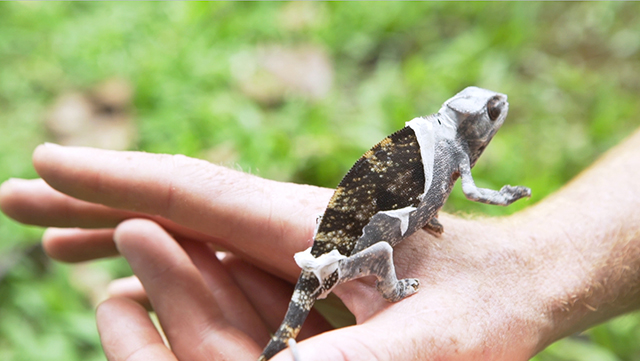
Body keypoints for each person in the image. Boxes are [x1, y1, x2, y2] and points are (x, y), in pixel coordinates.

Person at [1, 128, 640, 361]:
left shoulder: (443, 150)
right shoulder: (445, 153)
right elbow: (421, 201)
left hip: (340, 241)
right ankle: (382, 287)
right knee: (386, 257)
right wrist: (394, 287)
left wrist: (543, 264)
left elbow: (432, 194)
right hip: (343, 254)